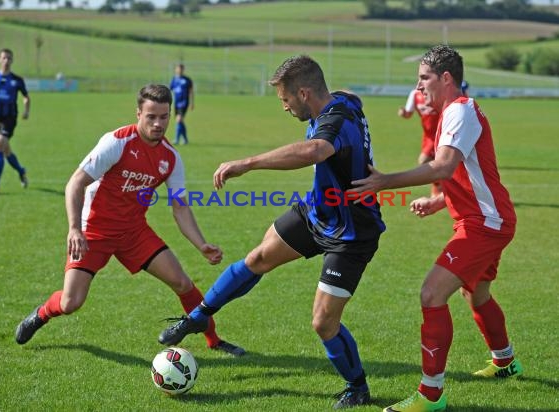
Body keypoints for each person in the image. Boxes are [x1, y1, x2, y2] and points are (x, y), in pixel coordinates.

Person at [158, 55, 386, 409]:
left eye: (285, 99)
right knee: (258, 257)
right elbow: (351, 97)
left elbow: (315, 150)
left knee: (324, 322)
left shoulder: (335, 120)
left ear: (305, 93)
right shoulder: (344, 101)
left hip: (352, 231)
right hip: (318, 211)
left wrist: (247, 163)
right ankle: (196, 319)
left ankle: (357, 387)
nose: (283, 107)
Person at [350, 45, 522, 412]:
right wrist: (440, 201)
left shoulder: (460, 110)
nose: (419, 85)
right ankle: (505, 361)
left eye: (424, 77)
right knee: (475, 295)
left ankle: (431, 396)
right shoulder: (453, 112)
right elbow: (467, 173)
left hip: (485, 224)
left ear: (446, 78)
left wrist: (385, 181)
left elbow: (442, 167)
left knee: (431, 294)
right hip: (487, 217)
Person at [15, 84, 245, 357]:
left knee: (183, 283)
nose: (158, 123)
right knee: (70, 302)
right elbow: (75, 183)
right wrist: (74, 228)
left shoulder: (171, 158)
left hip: (133, 232)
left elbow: (180, 208)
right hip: (94, 231)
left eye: (164, 116)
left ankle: (214, 340)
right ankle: (41, 314)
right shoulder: (116, 142)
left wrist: (201, 244)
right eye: (151, 116)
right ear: (138, 113)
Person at [0, 48, 30, 195]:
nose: (6, 61)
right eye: (4, 58)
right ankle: (21, 171)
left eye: (9, 58)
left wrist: (26, 109)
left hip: (9, 120)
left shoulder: (17, 80)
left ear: (12, 61)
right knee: (6, 152)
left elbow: (26, 96)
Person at [398, 89, 441, 196]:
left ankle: (439, 186)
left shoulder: (439, 92)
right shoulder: (414, 94)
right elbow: (408, 114)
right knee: (437, 162)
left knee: (424, 161)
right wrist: (403, 113)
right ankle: (441, 187)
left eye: (425, 78)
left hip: (440, 134)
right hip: (427, 136)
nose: (421, 82)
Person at [169, 63, 194, 145]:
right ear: (176, 69)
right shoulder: (174, 79)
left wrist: (191, 103)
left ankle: (176, 139)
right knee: (180, 121)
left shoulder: (187, 80)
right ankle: (185, 139)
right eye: (178, 68)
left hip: (184, 103)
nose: (179, 70)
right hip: (176, 103)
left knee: (179, 120)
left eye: (181, 69)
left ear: (183, 70)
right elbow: (170, 90)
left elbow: (191, 92)